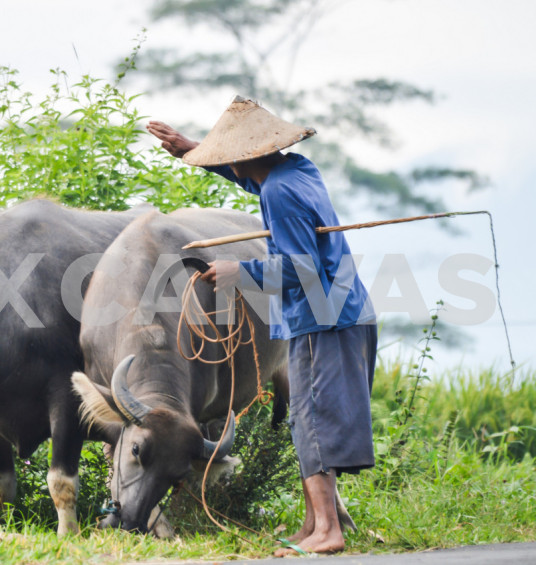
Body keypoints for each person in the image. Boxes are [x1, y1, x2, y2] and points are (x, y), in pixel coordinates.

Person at [147, 97, 378, 557]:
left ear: (244, 155)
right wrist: (193, 151)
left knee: (312, 420)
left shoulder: (279, 191)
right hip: (345, 310)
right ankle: (315, 522)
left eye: (225, 157)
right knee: (307, 416)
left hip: (323, 318)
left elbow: (302, 268)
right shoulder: (295, 169)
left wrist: (241, 272)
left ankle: (328, 531)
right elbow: (255, 180)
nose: (227, 164)